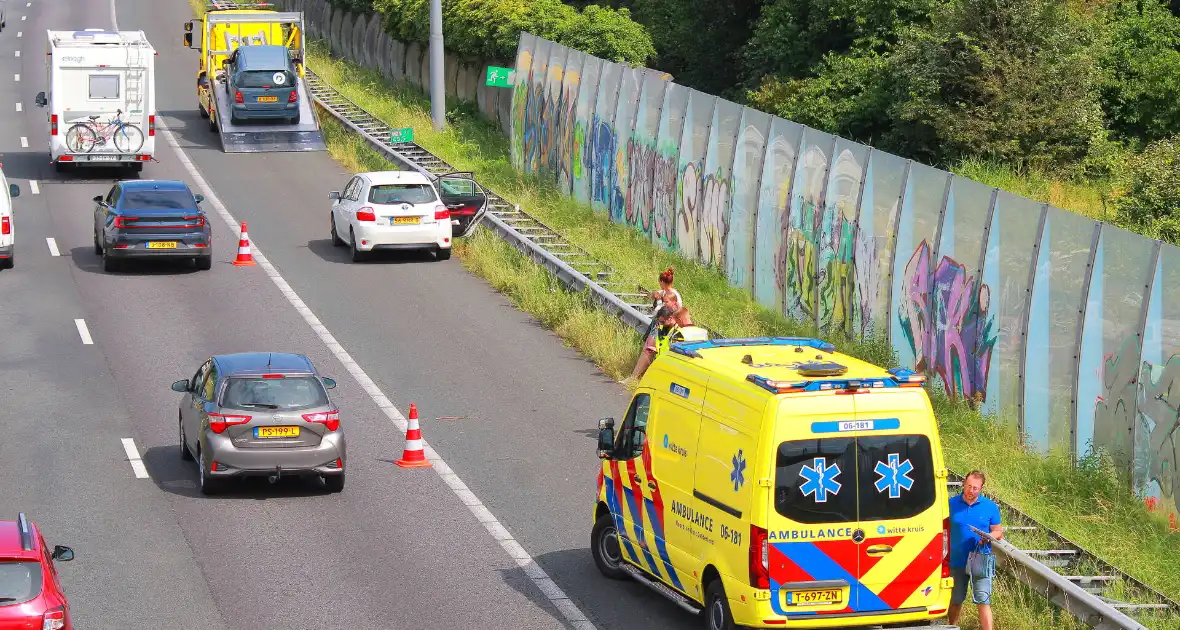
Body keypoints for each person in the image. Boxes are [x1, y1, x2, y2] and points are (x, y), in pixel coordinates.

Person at [948, 470, 1004, 630]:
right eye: (969, 486)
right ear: (963, 484)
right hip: (957, 560)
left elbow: (998, 531)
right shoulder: (951, 504)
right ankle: (951, 627)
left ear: (981, 488)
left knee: (983, 600)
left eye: (975, 488)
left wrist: (989, 536)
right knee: (956, 599)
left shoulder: (990, 507)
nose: (971, 491)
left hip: (981, 559)